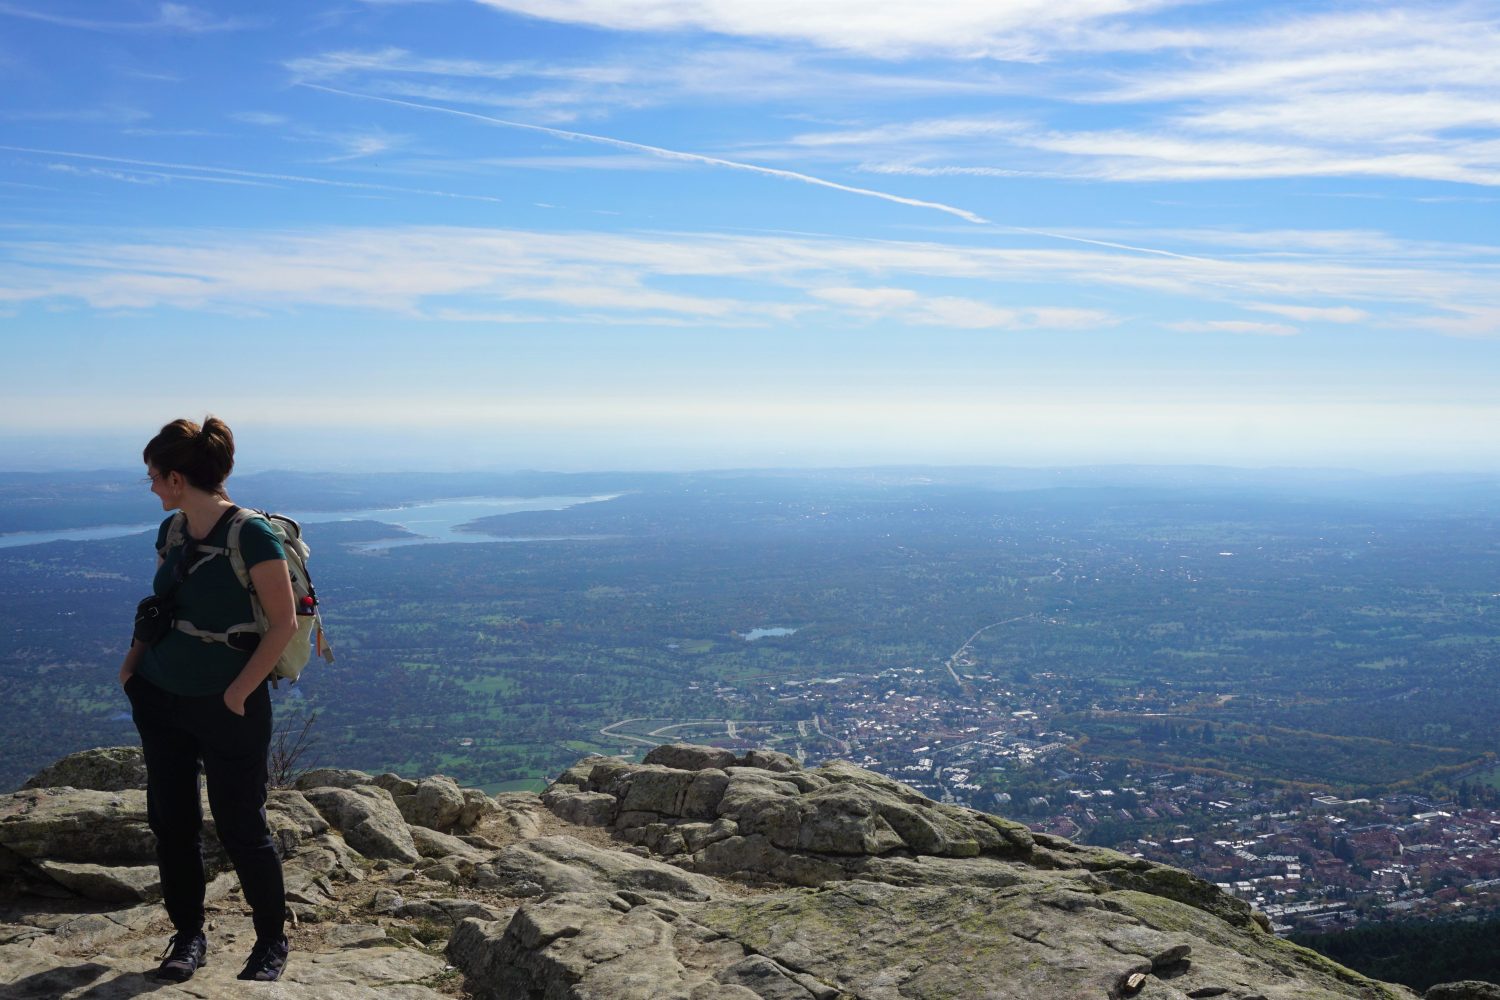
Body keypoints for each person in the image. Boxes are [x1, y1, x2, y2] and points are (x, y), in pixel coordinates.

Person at [119, 417, 297, 983]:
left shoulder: (251, 535)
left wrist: (239, 693)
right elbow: (161, 607)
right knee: (172, 823)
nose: (150, 486)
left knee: (241, 824)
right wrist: (131, 670)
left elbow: (284, 623)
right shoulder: (173, 531)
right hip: (160, 693)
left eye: (153, 476)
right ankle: (187, 936)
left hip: (227, 704)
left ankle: (270, 942)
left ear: (176, 477)